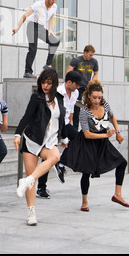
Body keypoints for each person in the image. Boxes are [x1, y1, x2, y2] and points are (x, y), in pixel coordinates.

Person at [61, 80, 129, 212]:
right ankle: (84, 201)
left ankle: (117, 194)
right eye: (94, 97)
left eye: (99, 97)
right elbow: (87, 134)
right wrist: (107, 135)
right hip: (88, 142)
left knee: (122, 163)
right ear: (88, 96)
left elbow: (112, 117)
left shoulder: (105, 105)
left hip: (102, 142)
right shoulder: (84, 112)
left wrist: (118, 132)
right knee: (87, 172)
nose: (97, 100)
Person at [13, 68, 67, 225]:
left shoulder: (59, 98)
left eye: (49, 83)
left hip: (49, 141)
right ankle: (31, 213)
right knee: (32, 174)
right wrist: (17, 135)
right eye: (43, 82)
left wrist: (63, 137)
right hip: (32, 139)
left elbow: (61, 120)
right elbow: (26, 118)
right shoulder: (36, 98)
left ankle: (25, 181)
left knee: (55, 157)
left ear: (54, 83)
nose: (45, 85)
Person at [37, 70, 82, 198]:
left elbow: (71, 111)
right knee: (47, 157)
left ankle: (61, 163)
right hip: (53, 126)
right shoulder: (57, 93)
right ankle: (41, 187)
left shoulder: (75, 93)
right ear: (69, 82)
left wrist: (70, 128)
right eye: (76, 84)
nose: (78, 87)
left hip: (65, 124)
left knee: (78, 137)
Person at [12, 0, 60, 78]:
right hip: (32, 27)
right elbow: (25, 15)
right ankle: (27, 72)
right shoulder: (38, 4)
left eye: (55, 0)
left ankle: (48, 64)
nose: (54, 2)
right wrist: (18, 28)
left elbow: (51, 17)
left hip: (41, 28)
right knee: (33, 49)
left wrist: (50, 29)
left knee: (55, 41)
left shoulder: (54, 6)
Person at [66, 44, 99, 129]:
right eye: (90, 55)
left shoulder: (94, 62)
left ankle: (90, 128)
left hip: (87, 88)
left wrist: (92, 81)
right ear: (85, 52)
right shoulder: (76, 60)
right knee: (76, 110)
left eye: (92, 55)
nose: (91, 57)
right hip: (77, 88)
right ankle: (75, 129)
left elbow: (96, 73)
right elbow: (68, 72)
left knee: (89, 108)